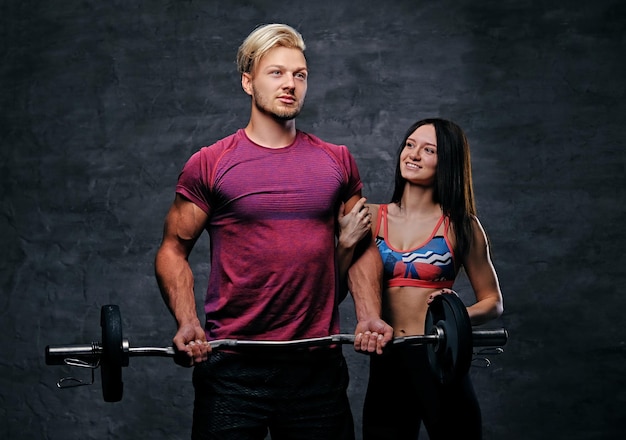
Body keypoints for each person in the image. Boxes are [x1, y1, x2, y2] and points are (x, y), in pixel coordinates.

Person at [154, 23, 393, 440]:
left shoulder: (336, 160)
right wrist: (187, 320)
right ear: (248, 82)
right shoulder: (210, 163)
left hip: (317, 367)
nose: (291, 84)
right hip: (232, 365)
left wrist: (370, 315)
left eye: (300, 75)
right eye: (276, 73)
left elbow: (361, 246)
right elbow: (173, 249)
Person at [339, 118, 504, 439]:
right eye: (410, 145)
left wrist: (454, 317)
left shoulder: (462, 225)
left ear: (448, 163)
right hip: (387, 360)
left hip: (439, 359)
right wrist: (344, 244)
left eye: (428, 150)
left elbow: (494, 303)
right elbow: (332, 287)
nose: (413, 155)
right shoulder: (368, 217)